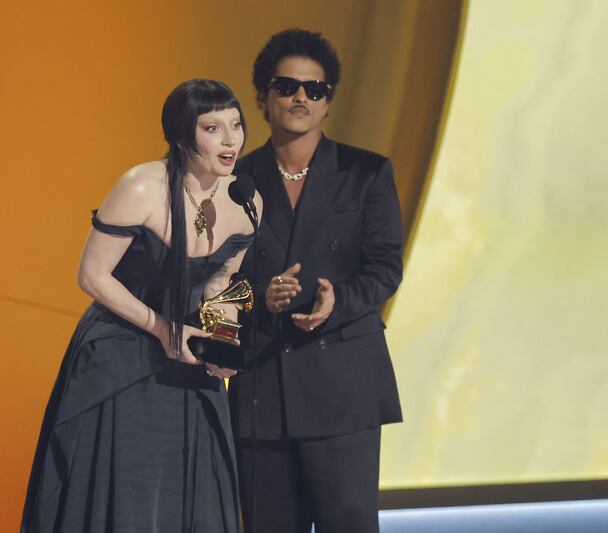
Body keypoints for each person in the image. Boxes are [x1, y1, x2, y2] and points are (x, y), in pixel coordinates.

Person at [21, 79, 262, 533]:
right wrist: (163, 329)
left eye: (236, 125)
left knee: (188, 497)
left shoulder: (245, 199)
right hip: (122, 351)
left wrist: (223, 340)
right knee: (130, 494)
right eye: (213, 128)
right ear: (181, 135)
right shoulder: (141, 186)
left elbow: (221, 279)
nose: (231, 140)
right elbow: (91, 276)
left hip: (189, 355)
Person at [228, 29, 403, 533]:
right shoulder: (233, 183)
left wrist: (337, 299)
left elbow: (386, 266)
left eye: (315, 89)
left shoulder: (366, 173)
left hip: (343, 387)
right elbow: (213, 286)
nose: (301, 97)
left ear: (328, 103)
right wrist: (258, 297)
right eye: (286, 87)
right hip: (262, 388)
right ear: (263, 98)